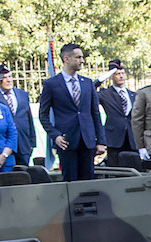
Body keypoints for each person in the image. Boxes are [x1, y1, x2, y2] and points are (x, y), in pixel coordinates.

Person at [38, 43, 105, 181]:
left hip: (87, 141)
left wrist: (101, 141)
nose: (82, 60)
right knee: (70, 182)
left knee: (88, 182)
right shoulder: (51, 84)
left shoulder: (87, 83)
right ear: (66, 59)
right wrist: (55, 135)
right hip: (66, 141)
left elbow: (95, 114)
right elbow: (43, 115)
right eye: (78, 57)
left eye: (82, 57)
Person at [0, 64, 36, 168]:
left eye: (10, 77)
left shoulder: (22, 94)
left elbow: (29, 119)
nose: (8, 80)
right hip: (3, 147)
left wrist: (32, 143)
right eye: (4, 78)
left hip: (23, 145)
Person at [97, 59, 136, 166]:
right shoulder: (105, 94)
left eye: (122, 73)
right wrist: (99, 80)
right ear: (111, 76)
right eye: (117, 74)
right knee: (115, 168)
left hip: (132, 138)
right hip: (114, 139)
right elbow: (90, 93)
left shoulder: (133, 94)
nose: (121, 76)